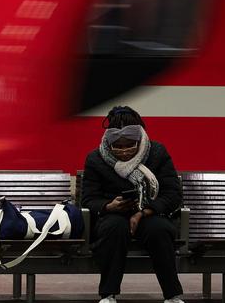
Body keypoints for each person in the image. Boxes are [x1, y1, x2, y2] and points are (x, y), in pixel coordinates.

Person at [81, 106, 184, 303]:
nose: (124, 150)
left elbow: (172, 194)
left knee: (159, 230)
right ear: (108, 141)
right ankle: (108, 294)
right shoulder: (96, 159)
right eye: (117, 146)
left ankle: (172, 295)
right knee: (114, 228)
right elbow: (89, 198)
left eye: (130, 145)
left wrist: (144, 211)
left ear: (140, 139)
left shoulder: (157, 153)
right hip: (112, 215)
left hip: (149, 212)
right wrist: (109, 206)